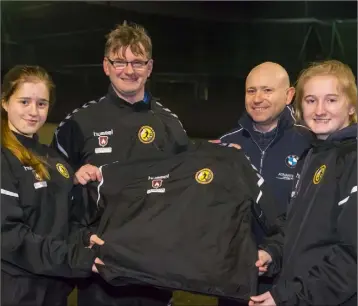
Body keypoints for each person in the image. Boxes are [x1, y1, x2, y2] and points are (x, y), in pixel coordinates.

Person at [51, 21, 188, 306]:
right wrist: (72, 180)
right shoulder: (78, 124)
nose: (129, 70)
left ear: (149, 68)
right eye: (120, 61)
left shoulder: (170, 126)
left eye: (137, 62)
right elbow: (52, 190)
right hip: (99, 277)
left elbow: (187, 194)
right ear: (106, 66)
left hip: (154, 273)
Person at [250, 60, 357, 306]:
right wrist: (273, 254)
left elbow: (352, 257)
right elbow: (299, 224)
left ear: (351, 105)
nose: (320, 110)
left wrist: (289, 296)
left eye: (331, 100)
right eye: (311, 100)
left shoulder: (352, 159)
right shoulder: (312, 156)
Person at [1, 65, 104, 306]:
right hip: (14, 292)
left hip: (54, 292)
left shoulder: (56, 161)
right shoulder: (4, 158)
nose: (33, 112)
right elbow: (9, 237)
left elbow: (63, 222)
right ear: (5, 102)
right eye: (24, 102)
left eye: (41, 103)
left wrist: (87, 239)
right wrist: (76, 257)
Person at [217, 62, 314, 305]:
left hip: (289, 283)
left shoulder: (310, 144)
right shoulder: (226, 145)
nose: (258, 98)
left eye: (267, 90)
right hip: (235, 279)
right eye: (251, 91)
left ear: (289, 95)